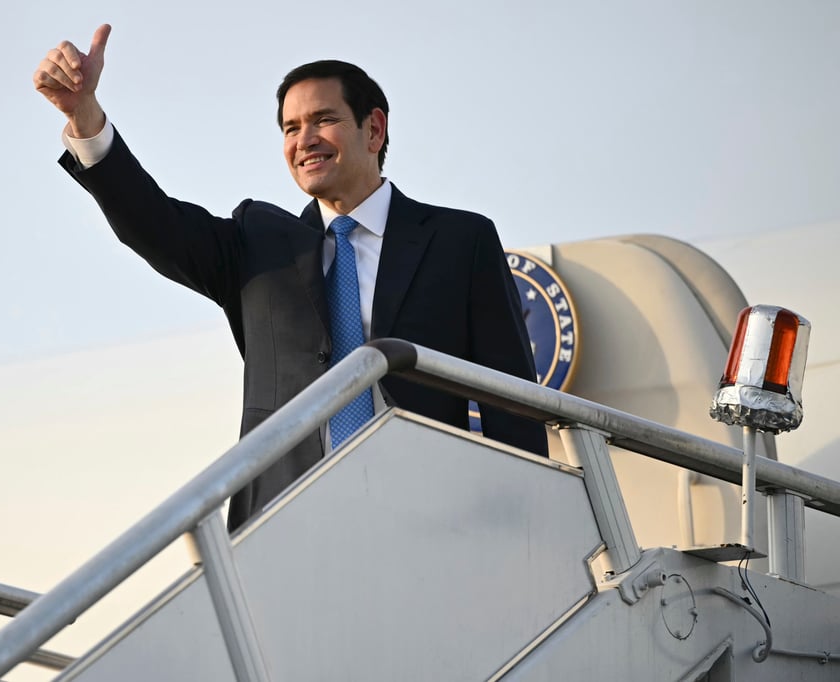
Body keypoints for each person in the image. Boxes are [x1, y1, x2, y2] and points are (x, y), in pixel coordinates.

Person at [34, 24, 548, 531]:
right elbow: (154, 221)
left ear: (374, 129)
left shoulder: (461, 239)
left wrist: (520, 523)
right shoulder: (257, 246)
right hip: (286, 520)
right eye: (290, 128)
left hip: (431, 515)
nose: (305, 140)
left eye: (323, 120)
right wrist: (84, 116)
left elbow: (511, 401)